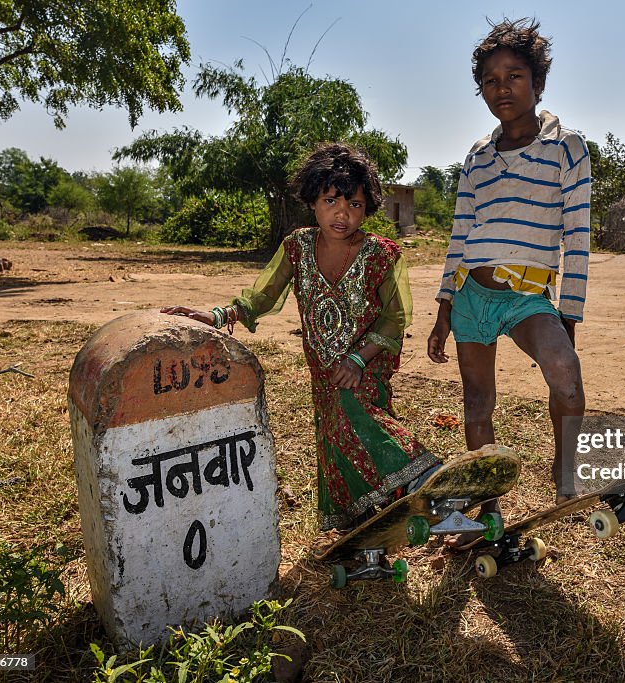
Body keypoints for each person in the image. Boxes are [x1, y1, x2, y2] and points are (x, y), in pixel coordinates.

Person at [163, 143, 440, 532]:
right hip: (323, 371)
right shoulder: (297, 247)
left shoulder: (382, 255)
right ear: (313, 201)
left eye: (356, 205)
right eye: (331, 201)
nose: (342, 214)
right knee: (335, 433)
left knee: (355, 414)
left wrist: (359, 359)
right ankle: (360, 522)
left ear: (368, 208)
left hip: (367, 365)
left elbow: (395, 319)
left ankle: (425, 478)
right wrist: (218, 315)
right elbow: (263, 296)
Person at [427, 17, 591, 527]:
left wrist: (568, 316)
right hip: (471, 295)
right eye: (491, 80)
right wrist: (443, 308)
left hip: (527, 296)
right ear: (480, 91)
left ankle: (566, 480)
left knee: (565, 375)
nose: (503, 87)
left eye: (515, 76)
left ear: (538, 83)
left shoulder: (567, 148)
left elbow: (578, 239)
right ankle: (488, 507)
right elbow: (460, 235)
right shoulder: (476, 158)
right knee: (477, 403)